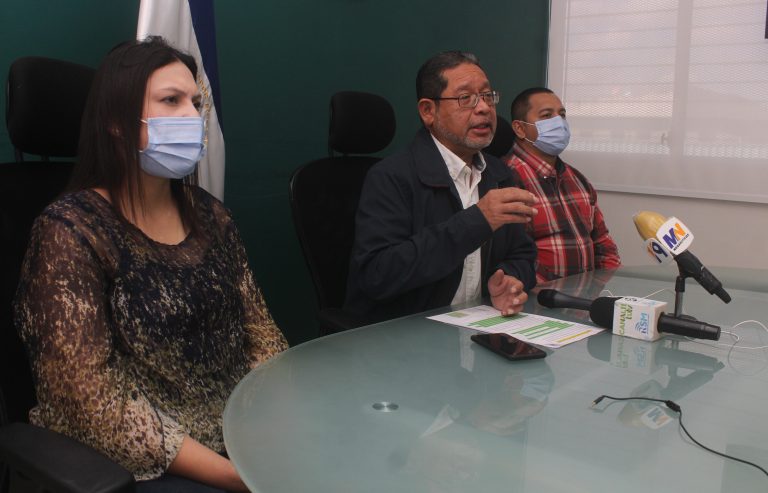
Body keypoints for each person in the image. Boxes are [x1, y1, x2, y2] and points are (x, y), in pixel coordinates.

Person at [13, 37, 288, 492]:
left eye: (195, 102)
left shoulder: (211, 216)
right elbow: (92, 403)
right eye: (171, 100)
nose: (192, 116)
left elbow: (262, 334)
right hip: (144, 463)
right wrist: (236, 476)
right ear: (116, 121)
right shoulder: (70, 231)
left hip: (241, 434)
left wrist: (279, 423)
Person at [344, 51, 538, 324]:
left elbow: (523, 254)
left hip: (476, 327)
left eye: (487, 95)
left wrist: (509, 279)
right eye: (466, 98)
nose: (484, 108)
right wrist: (478, 220)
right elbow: (378, 274)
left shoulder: (499, 174)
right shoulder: (390, 177)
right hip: (404, 335)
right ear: (428, 111)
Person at [504, 87, 620, 283]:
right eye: (547, 115)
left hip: (587, 296)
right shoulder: (507, 179)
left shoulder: (578, 179)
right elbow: (510, 258)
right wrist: (556, 291)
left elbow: (602, 243)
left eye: (562, 115)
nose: (559, 122)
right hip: (537, 298)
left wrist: (606, 287)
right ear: (520, 129)